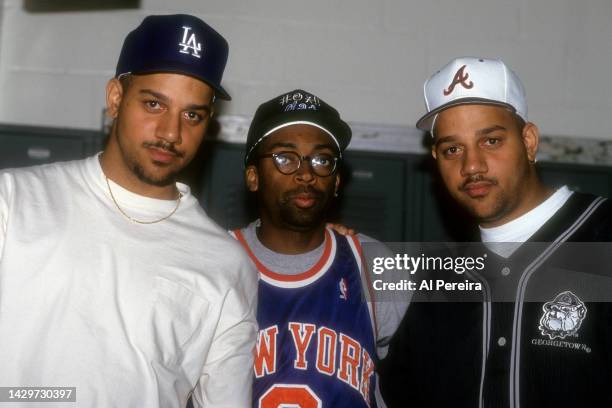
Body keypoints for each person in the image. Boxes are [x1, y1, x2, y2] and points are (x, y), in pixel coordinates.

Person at [0, 15, 257, 407]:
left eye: (192, 115)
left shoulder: (225, 263)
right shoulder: (15, 199)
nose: (171, 133)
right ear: (116, 98)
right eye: (154, 103)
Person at [379, 56, 612, 407]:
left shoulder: (603, 235)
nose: (471, 165)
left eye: (490, 141)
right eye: (452, 149)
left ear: (529, 141)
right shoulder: (444, 279)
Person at [231, 89, 404, 407]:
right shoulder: (217, 261)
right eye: (285, 157)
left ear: (337, 182)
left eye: (322, 159)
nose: (307, 173)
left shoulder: (373, 263)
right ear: (253, 177)